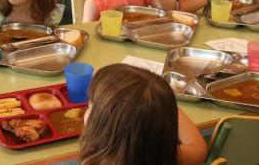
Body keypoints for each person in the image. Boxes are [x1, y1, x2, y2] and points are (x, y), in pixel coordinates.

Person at [79, 63, 208, 165]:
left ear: (112, 129)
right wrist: (160, 104)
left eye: (91, 105)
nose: (87, 109)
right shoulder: (167, 157)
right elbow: (199, 148)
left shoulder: (93, 160)